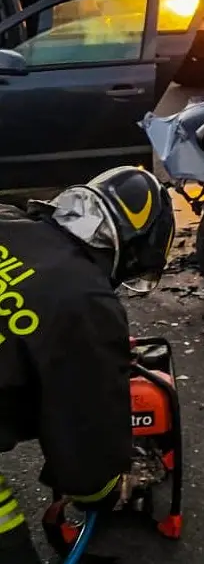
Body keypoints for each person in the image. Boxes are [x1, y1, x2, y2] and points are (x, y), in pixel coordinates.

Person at [0, 166, 175, 563]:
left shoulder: (9, 219)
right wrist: (104, 490)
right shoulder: (86, 303)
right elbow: (85, 449)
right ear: (129, 250)